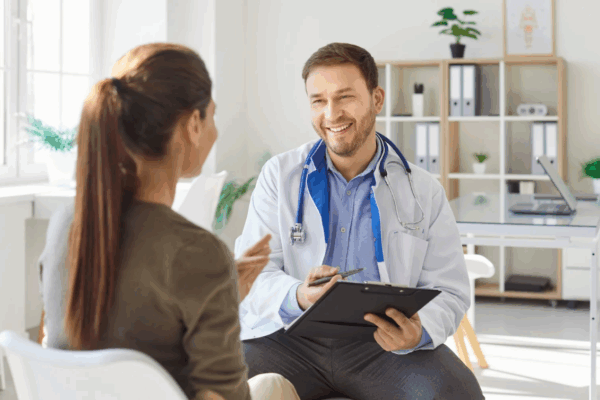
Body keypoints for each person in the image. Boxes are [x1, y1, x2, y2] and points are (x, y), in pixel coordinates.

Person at [37, 43, 300, 400]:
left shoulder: (65, 223)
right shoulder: (197, 252)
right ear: (193, 123)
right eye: (212, 116)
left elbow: (54, 342)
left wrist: (221, 298)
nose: (216, 131)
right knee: (275, 386)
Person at [235, 43, 485, 399]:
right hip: (290, 340)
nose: (331, 113)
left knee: (456, 392)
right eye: (318, 101)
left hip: (382, 346)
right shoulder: (280, 175)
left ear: (377, 99)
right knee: (212, 382)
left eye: (345, 97)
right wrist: (299, 295)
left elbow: (450, 289)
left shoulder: (422, 189)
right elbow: (252, 273)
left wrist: (417, 332)